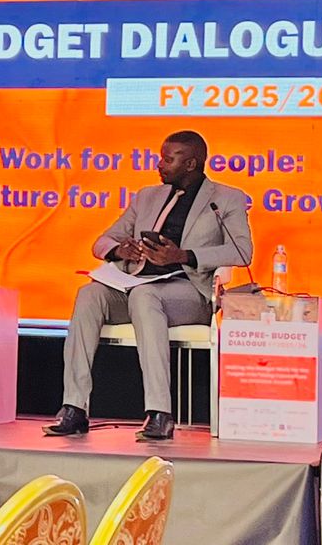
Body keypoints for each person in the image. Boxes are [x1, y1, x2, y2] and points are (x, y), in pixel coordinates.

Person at [45, 130, 253, 441]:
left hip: (188, 291)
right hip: (135, 283)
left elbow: (242, 252)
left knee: (145, 296)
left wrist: (183, 255)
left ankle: (159, 413)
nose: (159, 164)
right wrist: (119, 250)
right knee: (89, 293)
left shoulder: (225, 198)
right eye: (161, 158)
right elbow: (102, 241)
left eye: (168, 159)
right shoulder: (147, 197)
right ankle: (74, 407)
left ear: (191, 164)